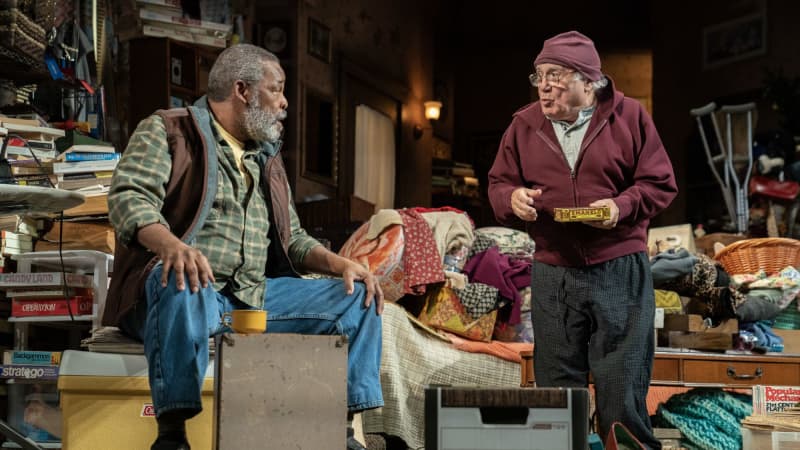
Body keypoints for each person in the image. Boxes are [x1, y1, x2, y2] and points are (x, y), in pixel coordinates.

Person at [103, 44, 384, 450]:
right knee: (183, 279)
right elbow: (129, 199)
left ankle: (342, 431)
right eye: (277, 89)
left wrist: (341, 265)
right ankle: (172, 434)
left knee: (358, 297)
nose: (285, 102)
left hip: (251, 299)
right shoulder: (169, 130)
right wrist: (171, 247)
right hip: (181, 293)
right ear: (243, 90)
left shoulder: (266, 158)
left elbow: (295, 241)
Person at [488, 31, 677, 449]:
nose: (544, 85)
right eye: (539, 75)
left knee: (622, 386)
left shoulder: (630, 117)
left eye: (556, 75)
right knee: (556, 391)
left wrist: (621, 206)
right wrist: (511, 198)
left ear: (589, 82)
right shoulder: (523, 124)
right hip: (553, 269)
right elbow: (499, 183)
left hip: (619, 266)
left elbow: (660, 183)